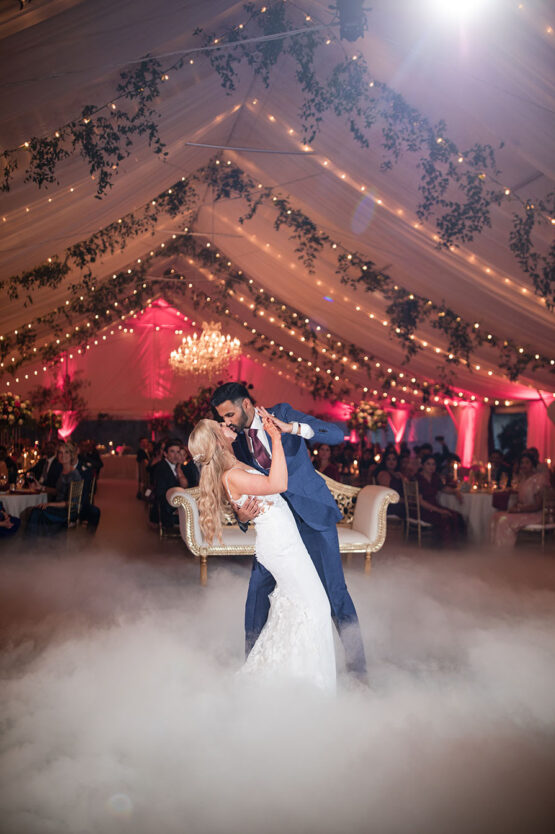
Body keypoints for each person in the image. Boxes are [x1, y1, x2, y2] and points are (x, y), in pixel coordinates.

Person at [210, 381, 367, 683]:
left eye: (229, 414)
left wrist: (292, 428)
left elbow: (336, 434)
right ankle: (253, 670)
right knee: (256, 597)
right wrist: (241, 514)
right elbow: (238, 490)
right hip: (277, 533)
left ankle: (359, 674)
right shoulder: (236, 442)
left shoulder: (282, 412)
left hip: (312, 520)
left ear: (246, 405)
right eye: (222, 418)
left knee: (335, 596)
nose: (226, 422)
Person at [189, 411, 336, 691]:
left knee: (299, 609)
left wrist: (243, 514)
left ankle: (291, 679)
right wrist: (276, 439)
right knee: (316, 608)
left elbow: (249, 501)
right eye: (220, 425)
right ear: (218, 440)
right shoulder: (231, 473)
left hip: (283, 542)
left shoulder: (232, 465)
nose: (226, 424)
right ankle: (311, 687)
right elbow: (277, 485)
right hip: (281, 546)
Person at [490, 452, 548, 547]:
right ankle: (494, 550)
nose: (524, 465)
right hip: (524, 512)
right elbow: (521, 501)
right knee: (495, 516)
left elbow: (538, 505)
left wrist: (518, 510)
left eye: (527, 462)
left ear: (532, 464)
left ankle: (504, 553)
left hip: (536, 515)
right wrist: (515, 508)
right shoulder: (522, 480)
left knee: (503, 521)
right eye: (522, 463)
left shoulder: (539, 479)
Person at [25, 442, 82, 536]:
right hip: (58, 507)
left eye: (66, 452)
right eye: (60, 452)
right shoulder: (62, 471)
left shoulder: (74, 474)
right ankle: (34, 543)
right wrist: (41, 487)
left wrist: (49, 504)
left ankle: (31, 544)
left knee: (36, 512)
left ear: (71, 455)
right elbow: (57, 491)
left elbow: (72, 503)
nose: (63, 455)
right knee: (35, 510)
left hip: (66, 512)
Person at [416, 454, 466, 547]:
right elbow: (420, 501)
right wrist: (440, 510)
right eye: (428, 464)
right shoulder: (418, 479)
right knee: (446, 517)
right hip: (422, 509)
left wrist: (455, 492)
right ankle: (444, 547)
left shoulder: (435, 477)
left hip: (434, 506)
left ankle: (459, 546)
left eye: (433, 464)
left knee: (457, 516)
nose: (431, 467)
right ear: (422, 465)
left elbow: (443, 488)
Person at [375, 449, 405, 519]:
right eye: (389, 459)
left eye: (394, 459)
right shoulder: (384, 474)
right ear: (385, 461)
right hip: (391, 506)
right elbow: (386, 495)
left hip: (398, 503)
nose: (391, 462)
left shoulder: (398, 474)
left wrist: (402, 478)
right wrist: (404, 500)